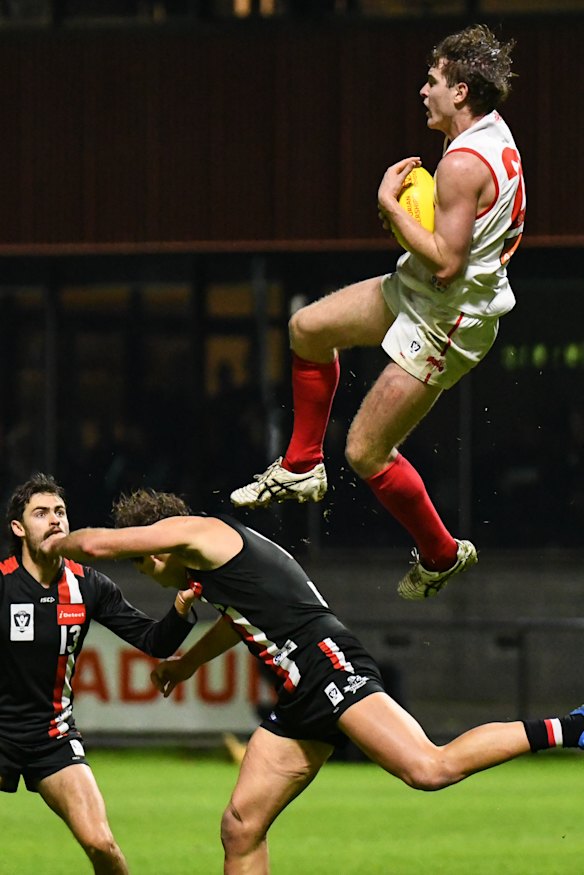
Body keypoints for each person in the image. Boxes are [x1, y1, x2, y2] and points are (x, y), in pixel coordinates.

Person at [40, 488, 582, 875]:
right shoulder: (208, 570)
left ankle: (569, 727)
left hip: (326, 662)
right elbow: (240, 618)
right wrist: (186, 665)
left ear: (154, 547)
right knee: (240, 827)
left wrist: (54, 545)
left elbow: (93, 546)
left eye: (142, 564)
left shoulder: (200, 533)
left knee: (427, 768)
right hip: (300, 690)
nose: (146, 574)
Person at [230, 23, 526, 601]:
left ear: (461, 91)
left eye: (433, 80)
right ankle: (300, 464)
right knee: (307, 328)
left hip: (450, 320)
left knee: (365, 451)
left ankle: (441, 554)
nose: (423, 90)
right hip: (423, 290)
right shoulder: (488, 134)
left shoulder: (462, 165)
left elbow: (445, 260)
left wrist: (392, 207)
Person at [0, 474, 197, 875]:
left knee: (101, 844)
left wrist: (179, 608)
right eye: (41, 513)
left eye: (60, 512)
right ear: (18, 529)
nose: (54, 520)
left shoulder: (88, 585)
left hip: (51, 737)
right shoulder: (3, 583)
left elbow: (153, 641)